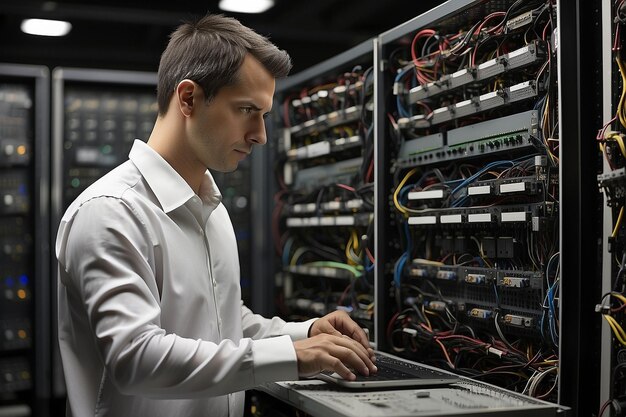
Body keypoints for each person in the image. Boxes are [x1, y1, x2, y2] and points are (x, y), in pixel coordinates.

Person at [55, 13, 376, 417]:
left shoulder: (210, 206)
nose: (260, 134)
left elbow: (220, 321)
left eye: (263, 114)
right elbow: (135, 359)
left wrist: (306, 334)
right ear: (188, 98)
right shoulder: (110, 213)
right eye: (246, 109)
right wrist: (292, 357)